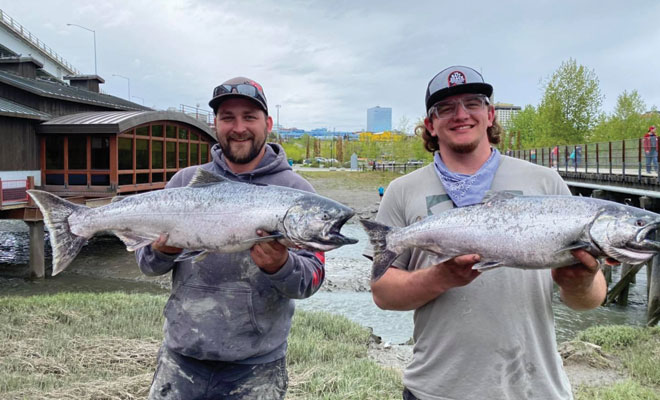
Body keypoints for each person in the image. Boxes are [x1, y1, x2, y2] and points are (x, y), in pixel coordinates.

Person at [366, 66, 607, 400]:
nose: (461, 115)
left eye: (473, 103)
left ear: (490, 114)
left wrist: (579, 281)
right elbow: (383, 295)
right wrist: (442, 277)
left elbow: (590, 300)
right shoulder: (401, 191)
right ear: (430, 124)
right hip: (435, 390)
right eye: (446, 108)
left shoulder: (545, 183)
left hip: (534, 388)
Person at [137, 77, 326, 400]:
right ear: (216, 124)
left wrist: (281, 266)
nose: (238, 127)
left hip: (257, 368)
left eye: (249, 117)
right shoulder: (186, 182)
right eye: (228, 117)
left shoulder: (296, 193)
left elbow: (312, 279)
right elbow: (147, 265)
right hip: (181, 359)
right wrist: (162, 250)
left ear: (267, 123)